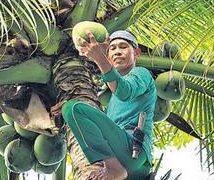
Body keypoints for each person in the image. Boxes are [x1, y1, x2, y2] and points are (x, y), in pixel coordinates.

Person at [61, 30, 157, 180]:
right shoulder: (111, 100)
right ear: (109, 58)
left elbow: (125, 91)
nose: (117, 52)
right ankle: (113, 167)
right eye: (112, 49)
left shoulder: (141, 73)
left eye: (123, 47)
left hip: (133, 150)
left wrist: (100, 59)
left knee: (72, 108)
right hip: (134, 171)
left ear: (136, 52)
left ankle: (114, 169)